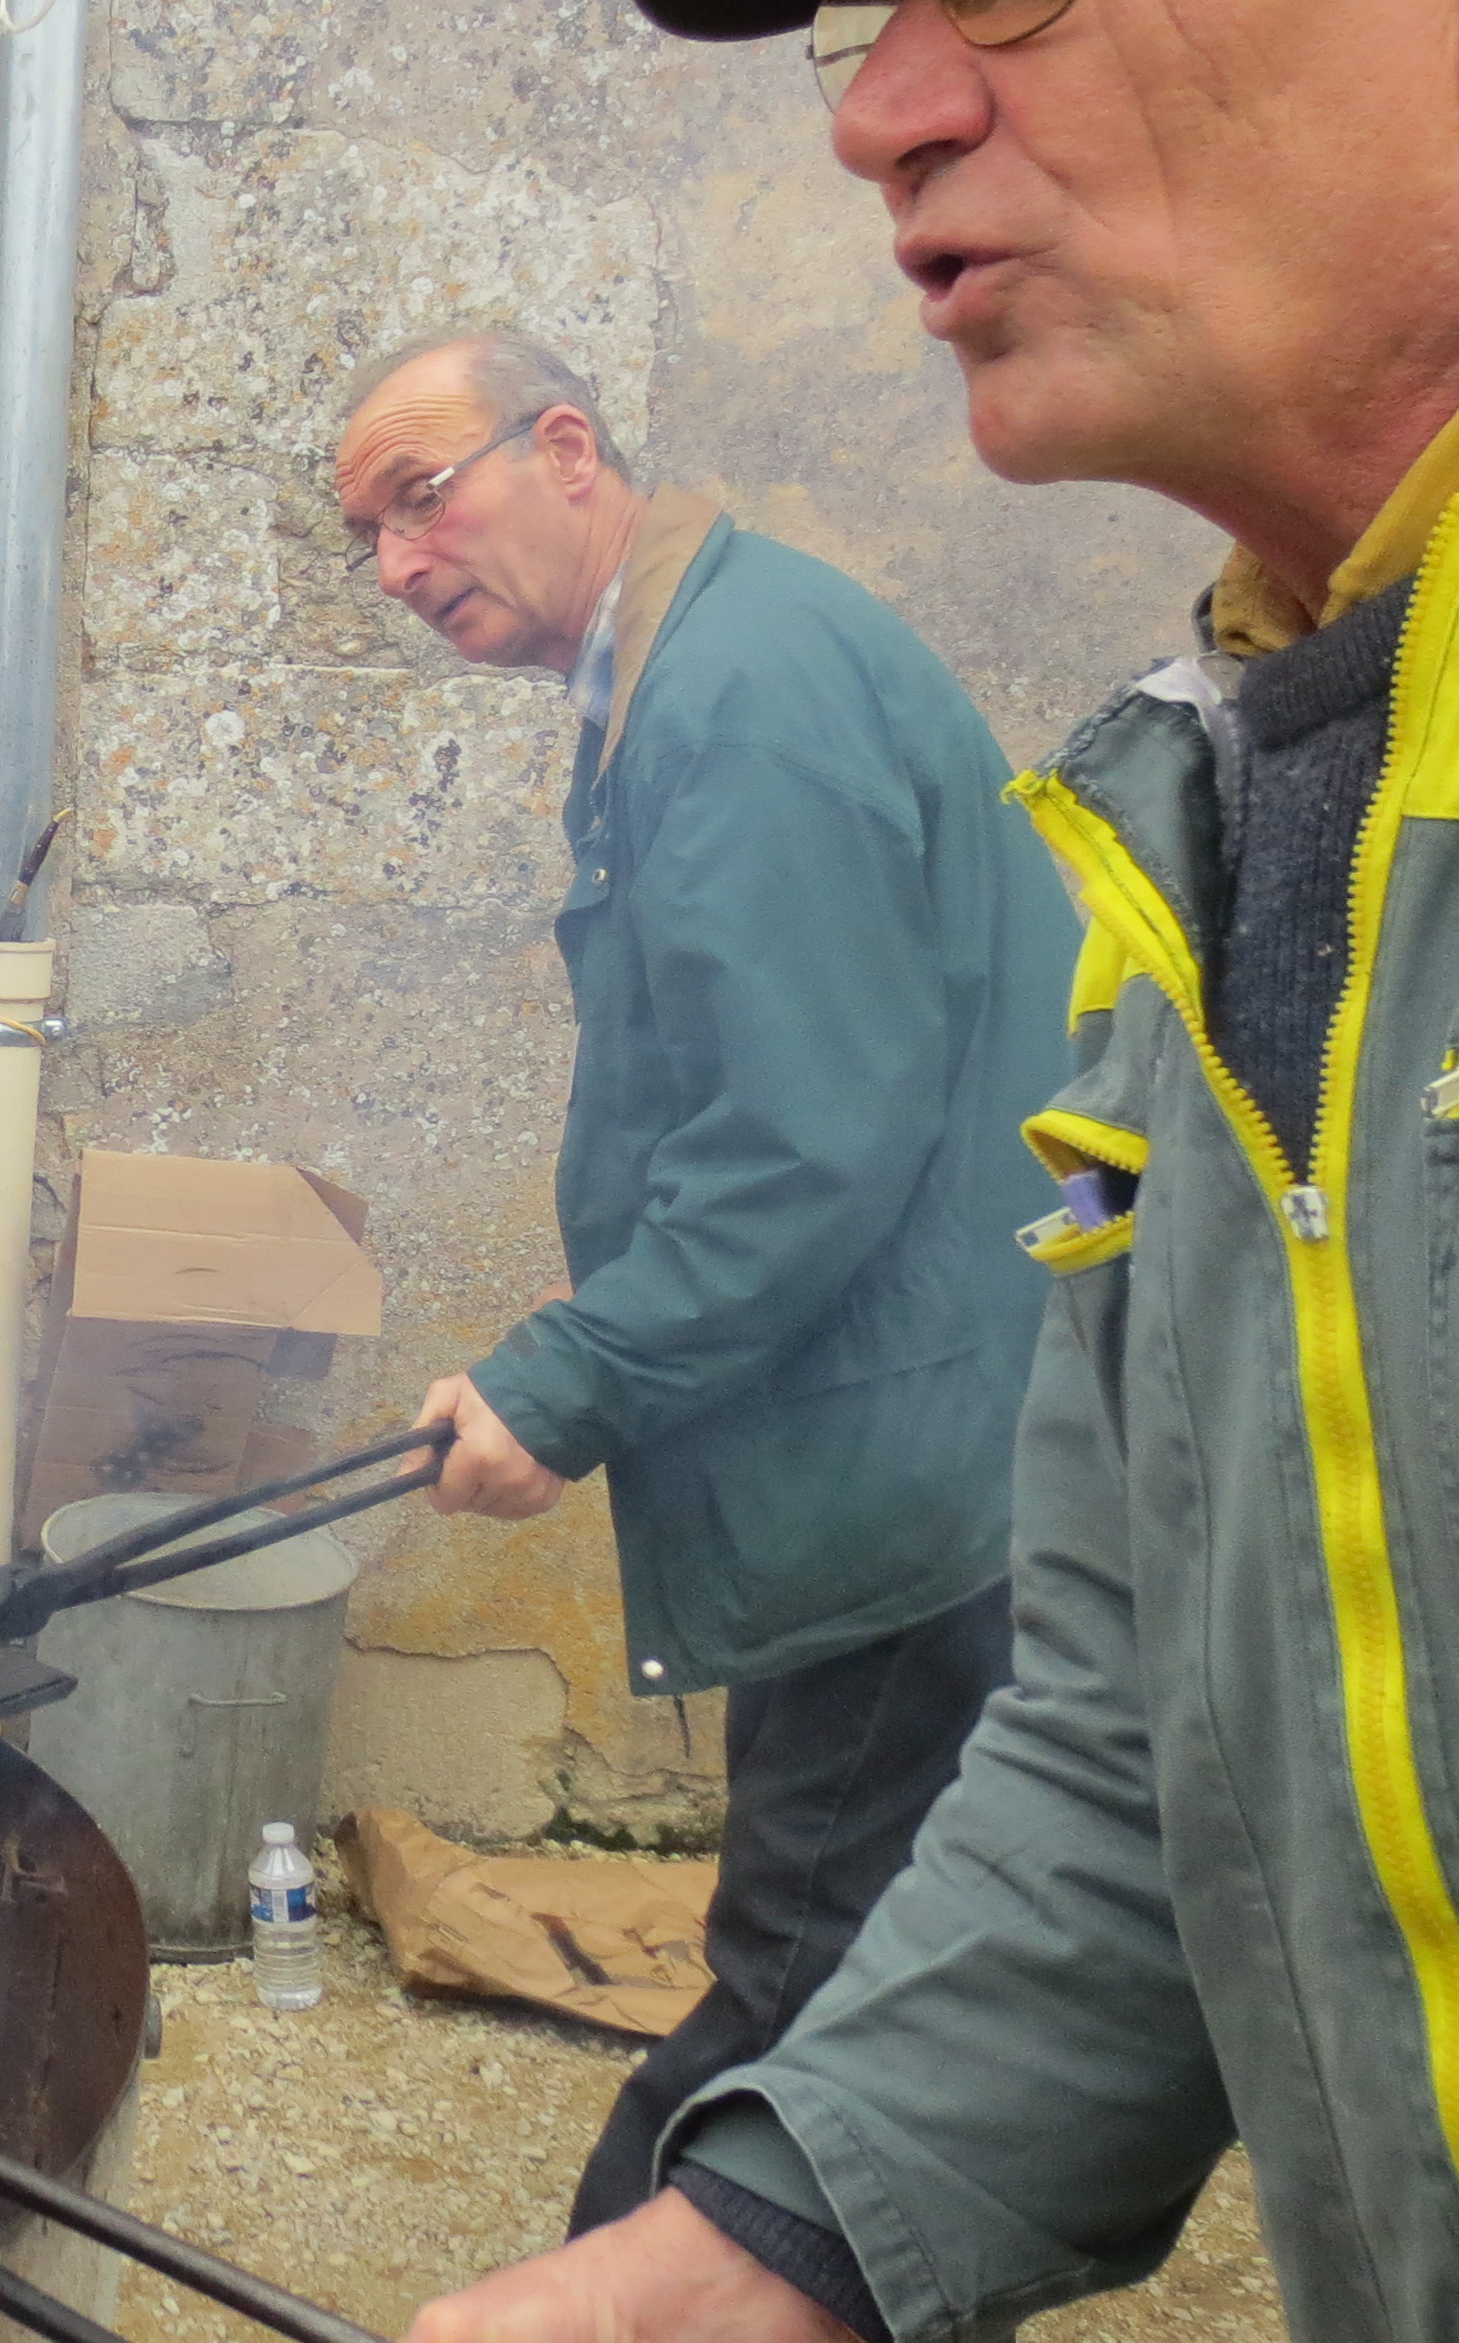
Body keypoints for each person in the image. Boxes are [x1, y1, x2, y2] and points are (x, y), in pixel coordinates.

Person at [416, 0, 1459, 2338]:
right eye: (867, 7)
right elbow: (1158, 1760)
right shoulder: (1226, 783)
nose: (887, 115)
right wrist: (769, 2245)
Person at [340, 329, 1074, 2236]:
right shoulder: (690, 665)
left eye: (425, 498)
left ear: (567, 446)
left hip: (910, 1459)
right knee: (881, 1968)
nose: (403, 566)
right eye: (369, 540)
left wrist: (569, 1380)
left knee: (792, 1992)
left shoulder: (740, 692)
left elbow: (805, 1138)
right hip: (915, 1427)